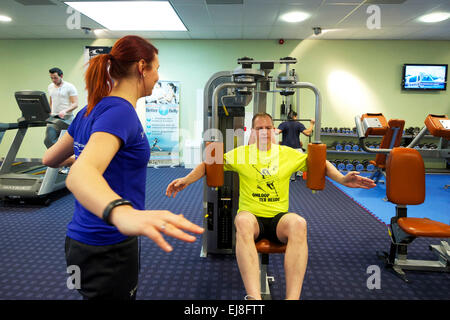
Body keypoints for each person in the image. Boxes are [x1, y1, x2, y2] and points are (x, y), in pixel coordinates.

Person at [43, 35, 203, 300]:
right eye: (157, 68)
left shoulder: (89, 109)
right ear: (142, 67)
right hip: (109, 244)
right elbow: (80, 175)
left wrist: (85, 161)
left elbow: (50, 158)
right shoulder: (121, 112)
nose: (157, 76)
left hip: (78, 241)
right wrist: (122, 213)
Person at [166, 112, 375, 300]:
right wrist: (186, 179)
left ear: (274, 131)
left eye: (268, 128)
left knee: (299, 223)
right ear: (253, 132)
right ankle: (254, 299)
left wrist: (343, 179)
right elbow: (208, 164)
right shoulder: (241, 153)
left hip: (278, 220)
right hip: (252, 217)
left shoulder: (288, 153)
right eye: (259, 128)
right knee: (242, 220)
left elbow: (318, 163)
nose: (264, 132)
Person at [275, 111, 315, 180]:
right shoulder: (298, 124)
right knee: (304, 163)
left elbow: (276, 132)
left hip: (285, 148)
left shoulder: (283, 124)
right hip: (296, 148)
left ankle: (289, 175)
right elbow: (308, 133)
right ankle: (299, 175)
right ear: (295, 117)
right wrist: (312, 124)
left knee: (284, 163)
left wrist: (271, 126)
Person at [45, 67, 79, 148]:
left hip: (67, 118)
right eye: (52, 78)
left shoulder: (70, 87)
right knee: (48, 140)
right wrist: (49, 112)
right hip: (53, 118)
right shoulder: (50, 87)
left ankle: (64, 158)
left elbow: (75, 103)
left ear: (61, 76)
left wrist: (65, 111)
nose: (53, 80)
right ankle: (56, 157)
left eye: (55, 78)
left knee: (67, 142)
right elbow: (51, 101)